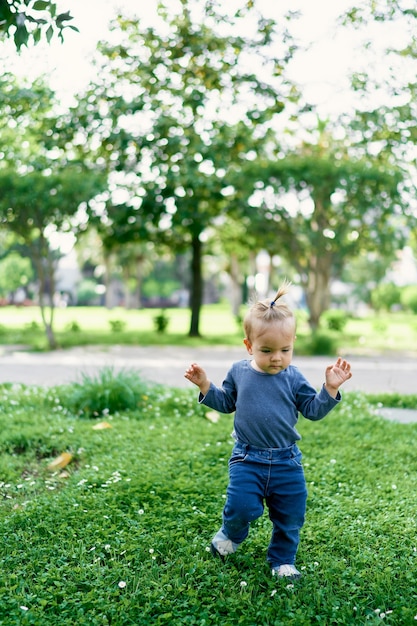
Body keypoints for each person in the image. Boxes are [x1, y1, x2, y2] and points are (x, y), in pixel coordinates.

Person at [184, 281, 352, 580]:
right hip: (247, 458)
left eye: (285, 349)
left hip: (287, 461)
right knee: (241, 507)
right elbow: (227, 402)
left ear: (293, 343)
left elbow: (312, 410)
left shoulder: (293, 376)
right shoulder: (239, 371)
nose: (277, 357)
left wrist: (329, 388)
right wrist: (205, 386)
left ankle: (282, 560)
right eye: (267, 350)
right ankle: (230, 535)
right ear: (249, 346)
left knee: (291, 515)